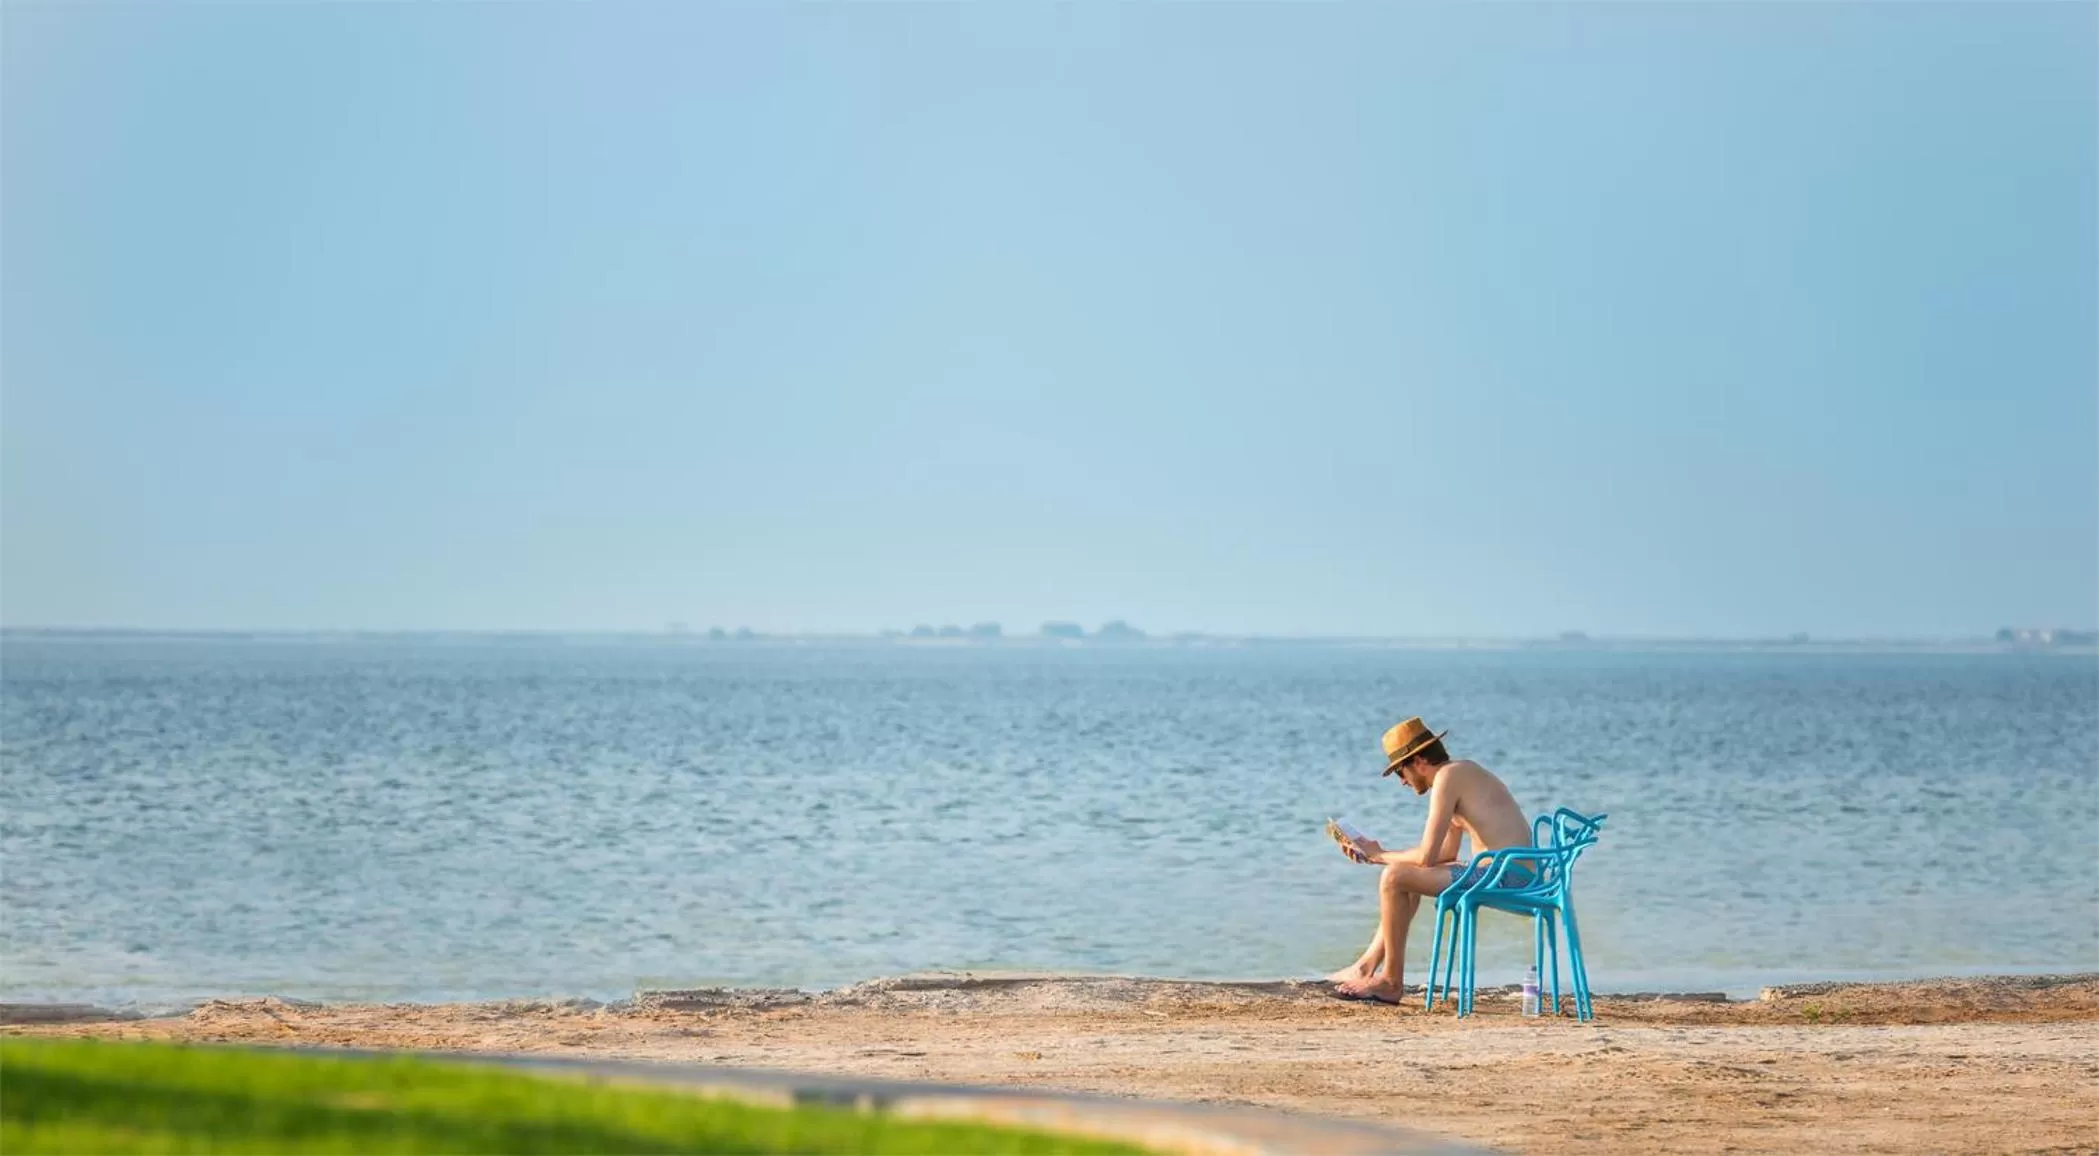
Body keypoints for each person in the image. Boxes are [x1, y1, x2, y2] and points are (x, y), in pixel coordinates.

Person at [1328, 717, 1533, 1005]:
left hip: (1507, 876)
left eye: (1401, 771)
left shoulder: (1448, 779)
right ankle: (1365, 966)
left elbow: (1426, 856)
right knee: (1404, 874)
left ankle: (1390, 982)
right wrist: (1375, 854)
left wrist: (1379, 856)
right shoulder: (1459, 774)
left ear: (1420, 761)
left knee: (1394, 878)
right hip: (1508, 871)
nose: (1401, 781)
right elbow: (1444, 855)